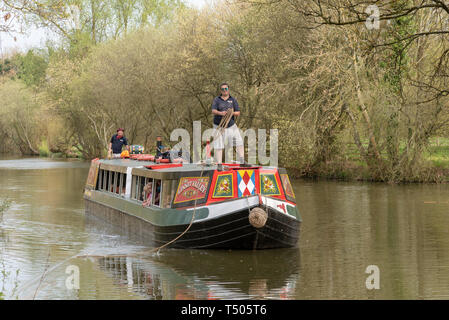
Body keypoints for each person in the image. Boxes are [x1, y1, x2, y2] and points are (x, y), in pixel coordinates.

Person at [211, 82, 244, 164]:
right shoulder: (217, 99)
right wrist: (221, 113)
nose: (224, 90)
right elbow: (213, 110)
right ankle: (219, 163)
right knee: (218, 144)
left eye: (226, 89)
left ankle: (242, 160)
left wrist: (231, 113)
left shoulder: (233, 100)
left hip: (230, 125)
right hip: (218, 125)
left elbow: (238, 112)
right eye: (222, 89)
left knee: (239, 141)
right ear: (221, 90)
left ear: (228, 90)